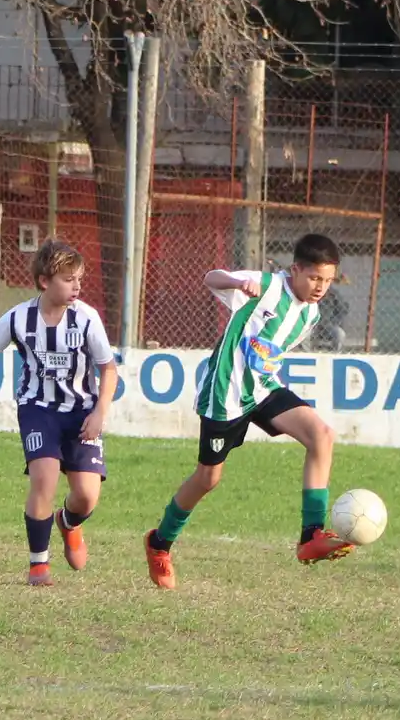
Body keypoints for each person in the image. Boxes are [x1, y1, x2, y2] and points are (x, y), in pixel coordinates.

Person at [144, 233, 352, 590]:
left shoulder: (311, 315)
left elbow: (267, 348)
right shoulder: (266, 286)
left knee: (322, 436)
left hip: (264, 389)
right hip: (225, 393)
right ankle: (159, 543)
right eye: (315, 278)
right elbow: (211, 278)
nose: (321, 287)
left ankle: (311, 534)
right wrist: (239, 281)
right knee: (208, 479)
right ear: (295, 270)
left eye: (328, 280)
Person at [0, 239, 118, 587]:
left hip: (80, 411)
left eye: (79, 279)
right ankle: (38, 565)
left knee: (87, 496)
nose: (76, 286)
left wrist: (100, 412)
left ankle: (69, 524)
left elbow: (108, 369)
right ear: (45, 282)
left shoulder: (87, 319)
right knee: (44, 479)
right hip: (38, 409)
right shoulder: (18, 318)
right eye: (68, 279)